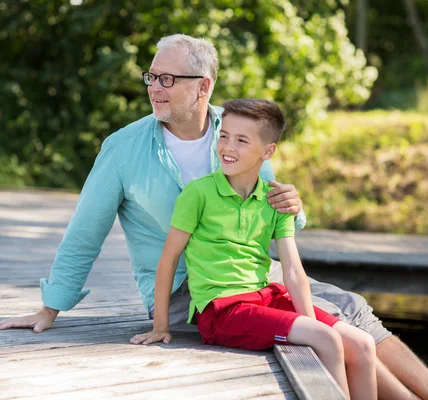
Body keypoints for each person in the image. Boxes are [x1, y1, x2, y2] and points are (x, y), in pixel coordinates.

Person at [0, 34, 428, 400]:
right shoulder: (124, 149)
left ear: (204, 86)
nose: (155, 86)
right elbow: (86, 231)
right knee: (336, 319)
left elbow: (272, 213)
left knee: (348, 305)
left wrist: (295, 209)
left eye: (169, 78)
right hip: (188, 295)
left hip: (251, 277)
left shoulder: (239, 131)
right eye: (152, 75)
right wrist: (50, 308)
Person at [130, 99, 378, 399]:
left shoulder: (274, 199)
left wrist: (307, 318)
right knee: (325, 339)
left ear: (268, 151)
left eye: (241, 140)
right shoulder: (198, 194)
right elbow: (168, 261)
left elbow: (293, 270)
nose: (227, 147)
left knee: (362, 344)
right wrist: (160, 326)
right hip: (221, 310)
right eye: (224, 136)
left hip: (264, 298)